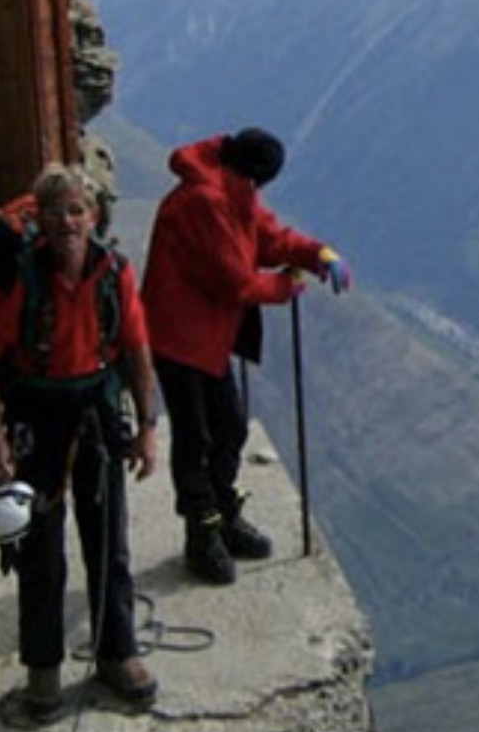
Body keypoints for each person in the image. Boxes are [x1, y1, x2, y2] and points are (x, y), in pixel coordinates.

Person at [0, 163, 162, 723]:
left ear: (93, 215)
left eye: (76, 210)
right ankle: (44, 673)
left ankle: (117, 653)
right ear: (42, 220)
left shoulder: (114, 273)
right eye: (56, 212)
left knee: (109, 542)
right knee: (40, 552)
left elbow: (136, 348)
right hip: (39, 416)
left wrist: (147, 426)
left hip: (97, 414)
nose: (67, 222)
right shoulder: (19, 280)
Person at [140, 127, 352, 584]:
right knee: (196, 437)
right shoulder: (205, 202)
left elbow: (268, 236)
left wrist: (318, 254)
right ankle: (203, 534)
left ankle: (221, 514)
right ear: (253, 175)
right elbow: (234, 280)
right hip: (179, 338)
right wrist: (287, 285)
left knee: (230, 426)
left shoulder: (231, 189)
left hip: (207, 337)